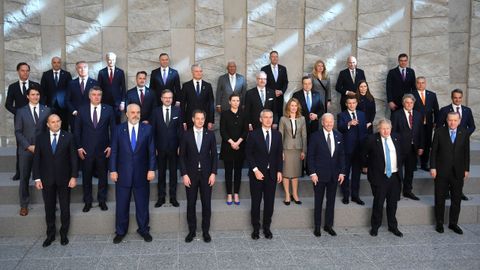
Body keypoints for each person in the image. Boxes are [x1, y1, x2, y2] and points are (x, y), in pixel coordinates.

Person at [109, 104, 156, 244]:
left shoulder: (147, 129)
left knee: (142, 205)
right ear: (127, 114)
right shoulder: (118, 129)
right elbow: (114, 151)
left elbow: (151, 151)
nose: (136, 115)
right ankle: (120, 231)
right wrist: (113, 170)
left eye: (138, 112)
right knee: (122, 205)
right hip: (123, 174)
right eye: (133, 112)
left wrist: (151, 169)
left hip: (142, 174)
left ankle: (143, 229)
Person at [33, 114, 78, 247]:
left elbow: (74, 159)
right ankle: (50, 235)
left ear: (61, 122)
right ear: (48, 124)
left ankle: (63, 234)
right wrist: (37, 178)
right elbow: (36, 160)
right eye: (53, 122)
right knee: (49, 208)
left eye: (58, 121)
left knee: (65, 207)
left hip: (65, 179)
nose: (56, 124)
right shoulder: (40, 138)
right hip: (47, 179)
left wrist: (74, 176)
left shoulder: (69, 137)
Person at [74, 86, 115, 212]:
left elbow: (113, 129)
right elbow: (77, 130)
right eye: (94, 94)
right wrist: (79, 147)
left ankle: (102, 200)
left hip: (103, 150)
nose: (96, 97)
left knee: (103, 177)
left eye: (99, 95)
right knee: (86, 178)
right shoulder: (82, 110)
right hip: (86, 150)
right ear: (89, 96)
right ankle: (88, 201)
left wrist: (111, 146)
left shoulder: (108, 109)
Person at [179, 110, 218, 243]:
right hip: (191, 175)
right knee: (191, 204)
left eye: (202, 119)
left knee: (206, 204)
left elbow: (214, 156)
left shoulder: (210, 135)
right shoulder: (186, 135)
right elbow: (182, 157)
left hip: (207, 175)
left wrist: (213, 173)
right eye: (198, 118)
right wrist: (184, 174)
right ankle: (192, 231)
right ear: (192, 119)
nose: (200, 121)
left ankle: (206, 231)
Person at [361, 119, 404, 237]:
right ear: (379, 129)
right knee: (378, 203)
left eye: (388, 128)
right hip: (380, 177)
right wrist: (366, 166)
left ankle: (393, 226)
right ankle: (375, 227)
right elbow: (363, 154)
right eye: (383, 128)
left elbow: (401, 154)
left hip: (394, 176)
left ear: (391, 129)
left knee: (393, 203)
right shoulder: (372, 139)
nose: (386, 131)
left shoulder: (396, 138)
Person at [430, 112, 470, 235]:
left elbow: (466, 153)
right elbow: (434, 151)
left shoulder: (464, 133)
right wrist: (433, 167)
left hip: (457, 172)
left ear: (459, 120)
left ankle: (453, 223)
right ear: (446, 120)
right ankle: (440, 223)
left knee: (456, 199)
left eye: (455, 120)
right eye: (450, 120)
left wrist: (466, 169)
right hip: (441, 171)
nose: (452, 123)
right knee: (440, 198)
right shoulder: (439, 132)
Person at [246, 109, 283, 240]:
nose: (268, 120)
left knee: (269, 203)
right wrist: (255, 170)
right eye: (265, 117)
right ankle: (256, 228)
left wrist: (279, 170)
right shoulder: (253, 134)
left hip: (271, 174)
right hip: (257, 174)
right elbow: (248, 154)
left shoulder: (277, 135)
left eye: (270, 117)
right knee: (256, 202)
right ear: (261, 119)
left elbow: (279, 154)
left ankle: (267, 228)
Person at [14, 86, 51, 216]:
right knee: (24, 177)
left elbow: (49, 131)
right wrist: (28, 146)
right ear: (28, 96)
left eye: (37, 95)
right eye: (33, 94)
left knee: (47, 177)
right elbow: (18, 132)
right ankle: (24, 205)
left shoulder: (46, 110)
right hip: (26, 150)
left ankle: (50, 203)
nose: (35, 97)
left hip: (43, 150)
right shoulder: (20, 111)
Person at [308, 113, 345, 237]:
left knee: (331, 201)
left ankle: (328, 225)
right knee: (318, 202)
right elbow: (310, 156)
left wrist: (342, 172)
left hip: (334, 175)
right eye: (327, 121)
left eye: (331, 121)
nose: (329, 124)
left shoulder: (339, 135)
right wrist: (312, 173)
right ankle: (317, 226)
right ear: (322, 122)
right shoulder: (315, 136)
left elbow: (341, 156)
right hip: (319, 175)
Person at [437, 89, 475, 201]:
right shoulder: (444, 110)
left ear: (462, 97)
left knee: (459, 167)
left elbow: (472, 126)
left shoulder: (467, 110)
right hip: (447, 143)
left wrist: (463, 135)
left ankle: (459, 191)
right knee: (447, 166)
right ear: (451, 97)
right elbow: (439, 126)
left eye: (459, 97)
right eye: (455, 97)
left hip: (460, 144)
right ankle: (446, 192)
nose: (457, 99)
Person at [5, 62, 41, 181]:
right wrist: (21, 114)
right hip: (20, 121)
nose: (25, 73)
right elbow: (8, 105)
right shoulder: (13, 87)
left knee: (39, 144)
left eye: (27, 71)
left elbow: (42, 100)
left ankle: (39, 172)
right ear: (18, 72)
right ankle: (19, 172)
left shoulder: (35, 85)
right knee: (21, 146)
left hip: (36, 120)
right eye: (22, 70)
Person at [151, 89, 183, 208]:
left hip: (174, 148)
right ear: (161, 99)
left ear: (172, 98)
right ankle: (161, 198)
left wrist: (180, 146)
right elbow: (152, 131)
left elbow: (180, 130)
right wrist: (153, 147)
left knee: (174, 174)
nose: (168, 99)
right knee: (161, 174)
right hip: (160, 148)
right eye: (165, 97)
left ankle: (173, 198)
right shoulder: (155, 112)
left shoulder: (178, 110)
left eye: (170, 97)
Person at [391, 94, 424, 200]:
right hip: (399, 148)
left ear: (414, 103)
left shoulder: (419, 115)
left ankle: (407, 191)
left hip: (413, 148)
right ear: (403, 103)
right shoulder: (396, 115)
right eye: (407, 102)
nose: (409, 104)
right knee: (398, 171)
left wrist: (421, 147)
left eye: (411, 102)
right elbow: (393, 132)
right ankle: (396, 191)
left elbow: (421, 132)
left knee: (410, 171)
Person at [337, 95, 367, 205]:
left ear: (356, 103)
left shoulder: (362, 115)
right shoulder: (342, 115)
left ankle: (355, 196)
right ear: (346, 104)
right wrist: (349, 124)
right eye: (349, 103)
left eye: (354, 103)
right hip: (346, 150)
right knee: (345, 173)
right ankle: (345, 195)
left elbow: (364, 132)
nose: (352, 105)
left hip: (359, 150)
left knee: (356, 174)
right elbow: (340, 128)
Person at [219, 93, 248, 205]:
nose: (236, 102)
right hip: (228, 147)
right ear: (229, 102)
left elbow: (245, 131)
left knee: (238, 172)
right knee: (228, 171)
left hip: (240, 146)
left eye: (238, 101)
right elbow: (223, 131)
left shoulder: (244, 114)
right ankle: (229, 194)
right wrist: (232, 142)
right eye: (234, 100)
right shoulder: (225, 114)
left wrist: (238, 142)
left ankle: (236, 193)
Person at [279, 98, 307, 205]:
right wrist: (280, 151)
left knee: (295, 173)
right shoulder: (283, 119)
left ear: (298, 107)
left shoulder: (302, 119)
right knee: (286, 173)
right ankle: (287, 195)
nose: (294, 107)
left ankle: (295, 194)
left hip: (298, 149)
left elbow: (304, 136)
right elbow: (280, 136)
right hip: (286, 149)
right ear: (288, 107)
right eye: (292, 105)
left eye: (295, 105)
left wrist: (304, 150)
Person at [412, 77, 439, 171]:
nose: (420, 85)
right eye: (418, 83)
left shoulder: (432, 95)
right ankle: (413, 164)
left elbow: (436, 109)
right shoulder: (411, 94)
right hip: (415, 124)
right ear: (416, 84)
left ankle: (424, 164)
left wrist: (436, 122)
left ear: (425, 83)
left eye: (422, 83)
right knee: (415, 142)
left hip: (428, 124)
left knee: (427, 143)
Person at [41, 56, 72, 131]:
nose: (56, 64)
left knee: (64, 125)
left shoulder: (67, 74)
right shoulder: (46, 74)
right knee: (51, 126)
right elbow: (42, 90)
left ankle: (64, 142)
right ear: (52, 64)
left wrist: (68, 103)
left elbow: (70, 90)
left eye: (58, 62)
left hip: (63, 105)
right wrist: (43, 105)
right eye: (54, 62)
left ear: (60, 64)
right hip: (50, 105)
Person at [180, 64, 215, 130]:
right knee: (190, 139)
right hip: (190, 119)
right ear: (192, 72)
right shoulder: (186, 86)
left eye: (200, 71)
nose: (199, 73)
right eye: (196, 71)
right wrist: (183, 121)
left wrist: (211, 121)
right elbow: (182, 105)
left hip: (204, 119)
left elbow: (211, 104)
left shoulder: (208, 86)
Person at [66, 61, 98, 132]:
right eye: (80, 68)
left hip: (90, 116)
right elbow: (67, 100)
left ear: (88, 69)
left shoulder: (95, 83)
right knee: (76, 138)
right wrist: (74, 111)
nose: (82, 69)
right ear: (77, 69)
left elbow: (97, 100)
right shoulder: (71, 83)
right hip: (75, 116)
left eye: (84, 67)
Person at [291, 76, 324, 140]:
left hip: (314, 124)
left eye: (309, 83)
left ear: (312, 84)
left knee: (313, 143)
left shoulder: (317, 94)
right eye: (305, 84)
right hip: (301, 124)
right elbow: (293, 109)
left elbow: (321, 109)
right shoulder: (296, 95)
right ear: (302, 84)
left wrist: (316, 115)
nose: (307, 86)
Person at [97, 52, 126, 123]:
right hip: (105, 102)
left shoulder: (120, 72)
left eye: (113, 60)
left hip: (117, 103)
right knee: (105, 122)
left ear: (115, 60)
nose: (111, 61)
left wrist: (123, 102)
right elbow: (98, 88)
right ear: (106, 60)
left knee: (117, 122)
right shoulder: (101, 72)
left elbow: (123, 88)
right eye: (109, 60)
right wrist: (98, 101)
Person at [261, 51, 288, 121]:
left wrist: (282, 91)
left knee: (279, 117)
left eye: (276, 56)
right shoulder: (264, 69)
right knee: (268, 116)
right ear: (270, 58)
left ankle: (277, 132)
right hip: (269, 97)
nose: (275, 58)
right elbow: (263, 83)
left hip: (280, 97)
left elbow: (285, 82)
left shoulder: (283, 69)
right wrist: (273, 92)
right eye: (273, 57)